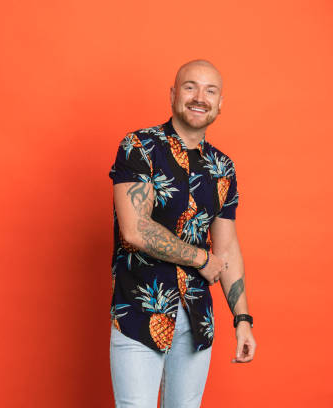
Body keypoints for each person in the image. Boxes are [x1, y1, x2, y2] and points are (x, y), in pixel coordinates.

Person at [108, 59, 256, 407]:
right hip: (140, 313)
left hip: (196, 318)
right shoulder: (139, 147)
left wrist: (243, 319)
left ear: (220, 103)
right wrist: (200, 258)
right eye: (190, 87)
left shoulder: (223, 167)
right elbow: (135, 228)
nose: (199, 97)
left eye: (210, 90)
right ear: (173, 94)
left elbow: (228, 246)